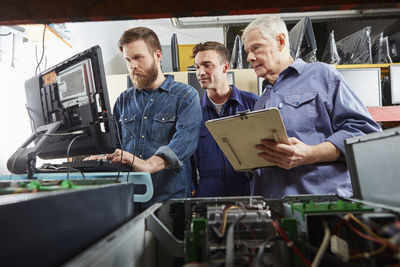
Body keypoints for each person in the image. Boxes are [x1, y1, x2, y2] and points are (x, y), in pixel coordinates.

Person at [241, 16, 381, 199]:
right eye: (247, 52)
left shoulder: (321, 75)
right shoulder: (262, 99)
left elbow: (365, 133)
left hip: (321, 204)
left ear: (281, 41)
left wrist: (310, 154)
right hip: (272, 207)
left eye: (256, 48)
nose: (250, 57)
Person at [108, 27, 202, 209]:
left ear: (157, 56)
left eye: (138, 58)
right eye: (128, 60)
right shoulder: (123, 100)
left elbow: (184, 143)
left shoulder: (185, 96)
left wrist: (147, 165)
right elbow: (116, 147)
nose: (132, 66)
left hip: (170, 202)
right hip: (130, 200)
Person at [192, 41, 259, 197]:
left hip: (248, 194)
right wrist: (192, 189)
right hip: (207, 196)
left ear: (226, 67)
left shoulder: (254, 103)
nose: (200, 72)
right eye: (197, 67)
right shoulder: (193, 112)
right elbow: (187, 159)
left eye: (207, 65)